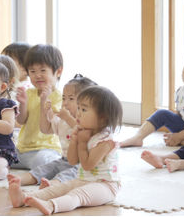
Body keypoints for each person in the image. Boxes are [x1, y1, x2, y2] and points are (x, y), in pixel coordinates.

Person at [8, 86, 123, 215]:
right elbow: (73, 161)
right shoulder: (83, 131)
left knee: (77, 195)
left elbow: (87, 165)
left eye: (84, 109)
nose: (78, 113)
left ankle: (51, 205)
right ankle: (23, 198)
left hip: (106, 186)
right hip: (84, 180)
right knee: (61, 188)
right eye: (78, 108)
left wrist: (82, 143)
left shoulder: (106, 141)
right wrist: (74, 140)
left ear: (103, 118)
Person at [7, 74, 97, 187]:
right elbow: (45, 129)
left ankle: (53, 184)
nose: (65, 102)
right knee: (45, 169)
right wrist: (45, 112)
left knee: (68, 175)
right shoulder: (63, 121)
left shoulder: (90, 122)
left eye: (71, 99)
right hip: (64, 160)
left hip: (82, 165)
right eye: (64, 98)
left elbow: (82, 132)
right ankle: (21, 179)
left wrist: (68, 118)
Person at [121, 47, 184, 147]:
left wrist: (178, 136)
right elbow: (179, 114)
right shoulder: (180, 91)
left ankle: (180, 141)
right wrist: (178, 133)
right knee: (162, 113)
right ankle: (138, 137)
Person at [11, 44, 63, 170]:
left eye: (43, 70)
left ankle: (49, 168)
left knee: (42, 161)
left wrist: (44, 100)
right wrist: (23, 104)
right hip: (22, 149)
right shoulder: (29, 93)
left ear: (58, 71)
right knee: (1, 154)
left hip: (46, 149)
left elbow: (49, 125)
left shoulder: (59, 97)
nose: (37, 75)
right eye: (32, 71)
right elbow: (21, 121)